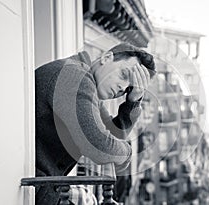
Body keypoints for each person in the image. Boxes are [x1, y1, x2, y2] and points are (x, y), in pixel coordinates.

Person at [35, 43, 156, 204]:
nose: (122, 88)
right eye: (124, 74)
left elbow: (114, 135)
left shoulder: (88, 86)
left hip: (42, 193)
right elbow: (99, 146)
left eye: (128, 89)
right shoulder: (75, 77)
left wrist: (133, 101)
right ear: (106, 58)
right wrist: (127, 153)